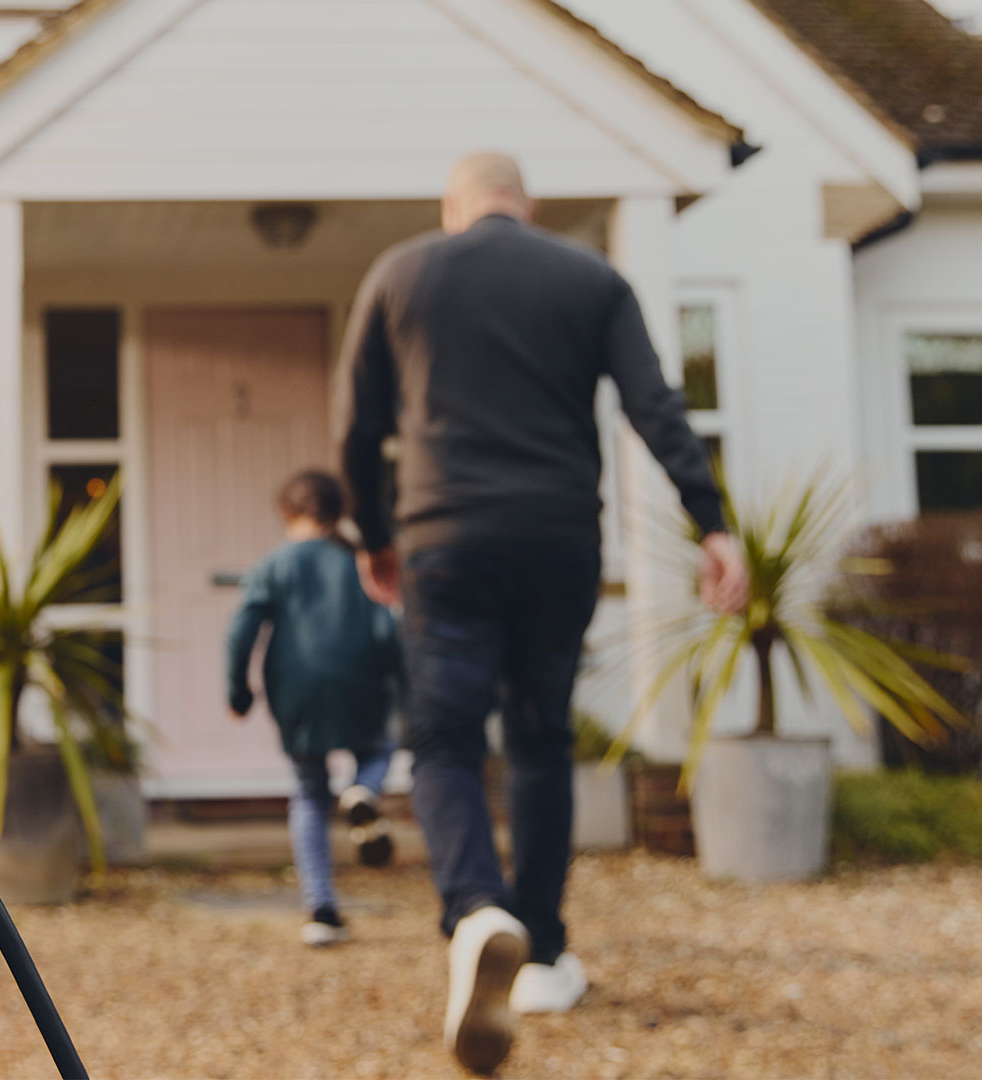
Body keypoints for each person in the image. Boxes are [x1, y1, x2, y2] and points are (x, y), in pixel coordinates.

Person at [338, 152, 748, 1073]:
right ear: (526, 206)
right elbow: (657, 405)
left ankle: (477, 909)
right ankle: (544, 951)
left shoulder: (401, 273)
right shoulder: (591, 278)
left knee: (444, 739)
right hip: (560, 539)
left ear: (453, 209)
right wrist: (712, 524)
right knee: (538, 740)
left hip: (444, 539)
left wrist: (373, 534)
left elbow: (357, 424)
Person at [226, 469, 404, 947]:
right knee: (380, 748)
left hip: (296, 690)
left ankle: (321, 910)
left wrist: (238, 691)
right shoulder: (359, 562)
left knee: (308, 791)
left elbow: (242, 630)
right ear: (338, 512)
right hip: (361, 682)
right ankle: (363, 790)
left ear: (288, 513)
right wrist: (402, 684)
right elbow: (388, 628)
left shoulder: (273, 565)